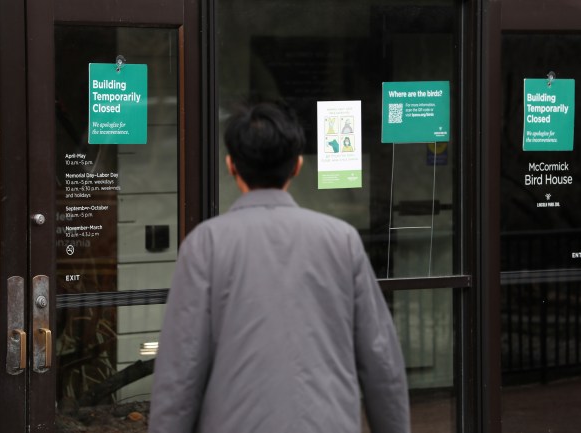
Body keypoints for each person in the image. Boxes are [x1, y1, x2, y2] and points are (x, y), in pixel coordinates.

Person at [148, 101, 410, 433]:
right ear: (297, 166)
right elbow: (381, 362)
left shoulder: (206, 245)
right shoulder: (341, 240)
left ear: (231, 166)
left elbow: (180, 371)